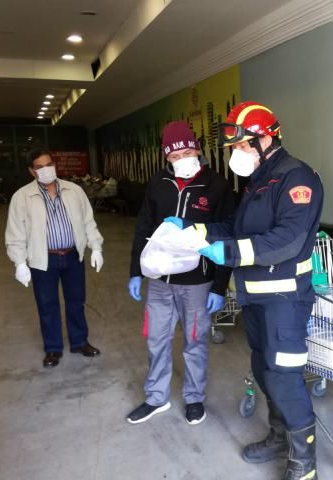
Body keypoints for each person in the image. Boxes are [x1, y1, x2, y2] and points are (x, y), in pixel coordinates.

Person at [165, 102, 324, 479]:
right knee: (263, 368)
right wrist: (192, 231)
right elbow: (234, 227)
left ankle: (305, 463)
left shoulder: (296, 178)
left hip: (285, 300)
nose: (236, 154)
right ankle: (280, 436)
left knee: (284, 374)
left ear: (265, 139)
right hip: (255, 297)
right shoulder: (259, 181)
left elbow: (287, 239)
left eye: (241, 146)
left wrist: (230, 252)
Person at [126, 120, 235, 426]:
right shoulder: (159, 183)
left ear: (198, 149)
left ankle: (194, 397)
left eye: (187, 151)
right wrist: (136, 270)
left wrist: (219, 286)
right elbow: (143, 229)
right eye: (175, 156)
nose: (182, 159)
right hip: (159, 280)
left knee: (195, 341)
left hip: (197, 283)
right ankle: (156, 397)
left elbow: (226, 236)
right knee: (156, 340)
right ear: (166, 157)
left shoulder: (217, 186)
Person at [5, 147, 104, 368]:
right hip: (43, 260)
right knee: (47, 304)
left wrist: (95, 246)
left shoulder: (74, 190)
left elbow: (88, 221)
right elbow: (15, 232)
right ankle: (52, 348)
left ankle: (79, 342)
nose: (46, 170)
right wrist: (19, 263)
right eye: (40, 167)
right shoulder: (22, 197)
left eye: (49, 165)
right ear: (32, 171)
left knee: (76, 302)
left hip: (72, 256)